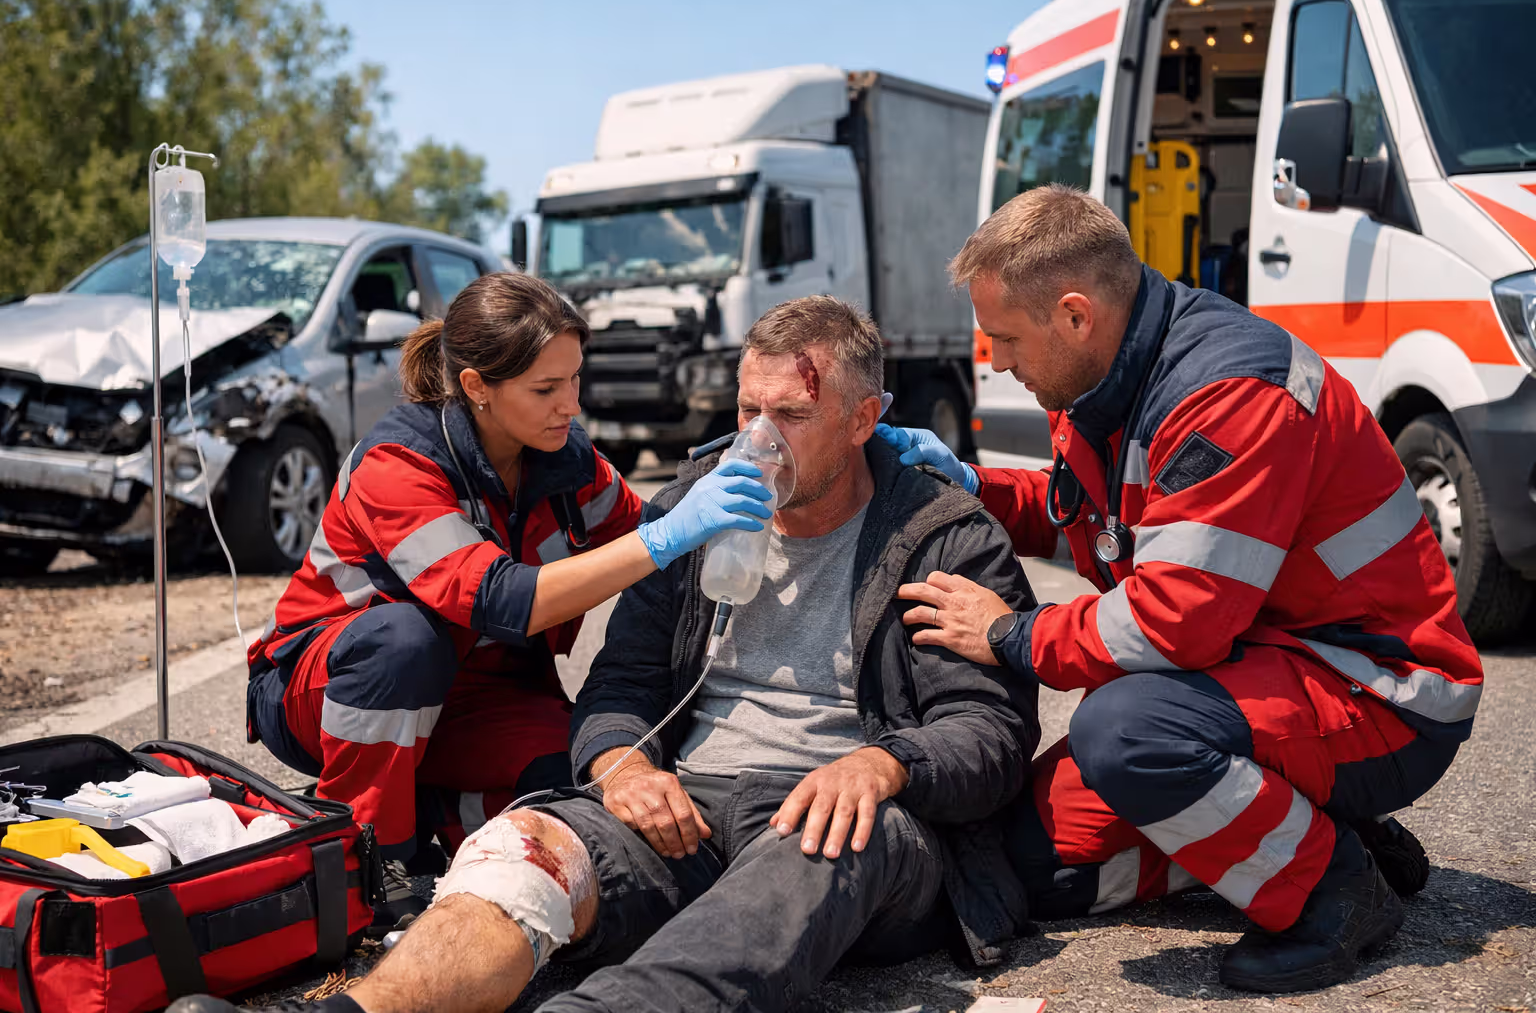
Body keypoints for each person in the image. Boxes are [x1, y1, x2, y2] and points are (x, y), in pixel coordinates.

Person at [179, 295, 1040, 1013]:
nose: (761, 440)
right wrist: (624, 764)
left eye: (794, 414)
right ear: (478, 388)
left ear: (864, 420)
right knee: (527, 844)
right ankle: (352, 1004)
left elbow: (990, 733)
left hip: (835, 814)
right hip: (350, 679)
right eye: (748, 411)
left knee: (808, 842)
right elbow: (614, 672)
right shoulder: (418, 461)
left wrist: (883, 768)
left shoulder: (942, 538)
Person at [877, 185, 1484, 993]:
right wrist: (970, 487)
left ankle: (1331, 893)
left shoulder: (1227, 393)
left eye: (1004, 339)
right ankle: (1319, 831)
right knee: (1035, 868)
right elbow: (1096, 526)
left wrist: (1008, 636)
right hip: (1262, 672)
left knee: (1125, 733)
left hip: (1380, 692)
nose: (995, 362)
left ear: (1074, 315)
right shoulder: (1105, 377)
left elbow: (1172, 627)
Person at [245, 271, 777, 932]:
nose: (570, 406)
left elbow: (650, 527)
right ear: (477, 388)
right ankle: (369, 853)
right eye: (546, 389)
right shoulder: (398, 460)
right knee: (407, 641)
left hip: (475, 695)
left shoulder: (565, 462)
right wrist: (666, 536)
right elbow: (502, 600)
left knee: (588, 784)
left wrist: (796, 462)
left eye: (575, 381)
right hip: (333, 688)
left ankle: (423, 803)